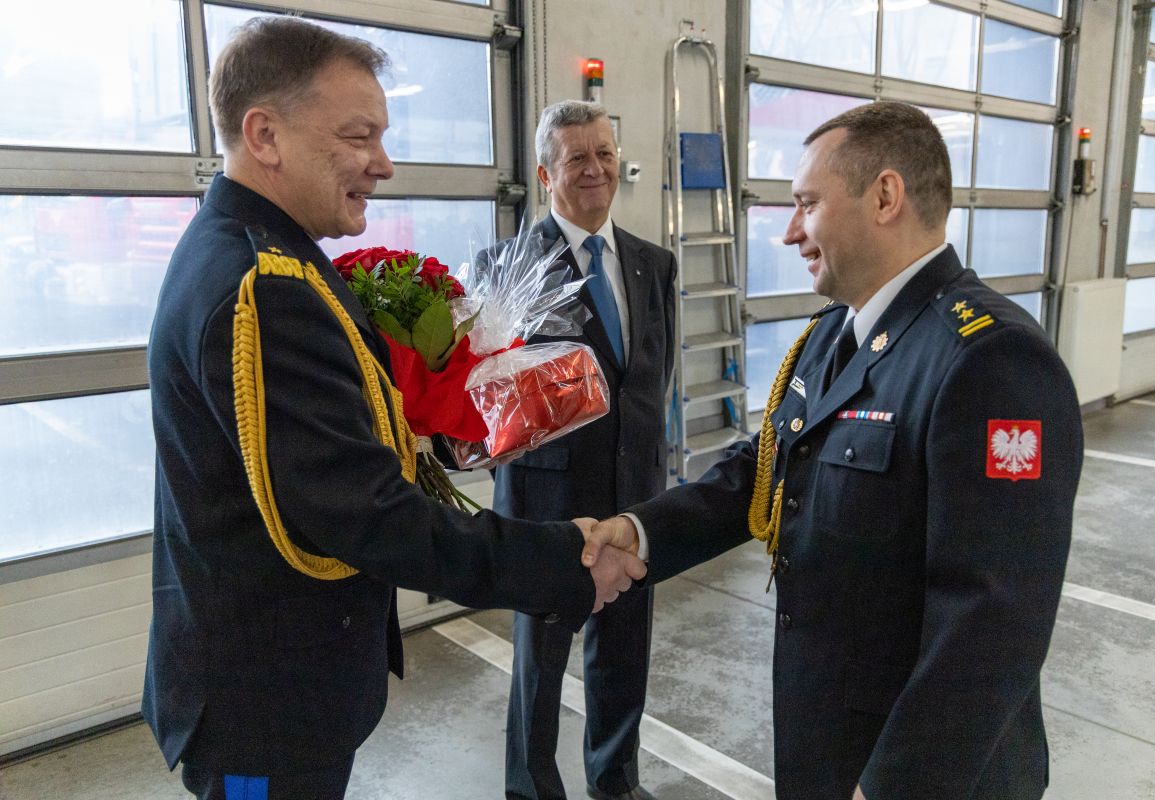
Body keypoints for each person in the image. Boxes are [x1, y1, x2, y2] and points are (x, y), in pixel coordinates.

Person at [143, 17, 643, 800]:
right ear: (266, 135)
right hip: (267, 704)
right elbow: (367, 514)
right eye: (359, 136)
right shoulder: (265, 288)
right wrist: (560, 559)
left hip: (277, 681)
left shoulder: (270, 257)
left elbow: (338, 443)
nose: (384, 162)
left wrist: (464, 425)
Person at [580, 101, 1085, 800]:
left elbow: (993, 618)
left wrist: (895, 787)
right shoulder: (831, 335)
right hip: (826, 735)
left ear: (885, 196)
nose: (790, 232)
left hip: (916, 768)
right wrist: (640, 533)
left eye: (807, 205)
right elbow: (762, 472)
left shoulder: (988, 359)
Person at [492, 100, 676, 800]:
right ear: (546, 174)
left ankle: (615, 780)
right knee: (541, 659)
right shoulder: (507, 265)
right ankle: (531, 788)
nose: (595, 169)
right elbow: (492, 395)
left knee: (624, 650)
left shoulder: (654, 265)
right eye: (577, 158)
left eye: (605, 153)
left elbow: (651, 380)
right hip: (548, 499)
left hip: (635, 495)